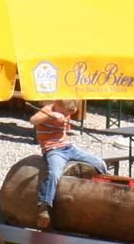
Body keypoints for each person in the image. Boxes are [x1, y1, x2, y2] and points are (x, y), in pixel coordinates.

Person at [30, 98, 107, 229]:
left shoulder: (66, 110)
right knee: (54, 173)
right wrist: (53, 115)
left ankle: (103, 190)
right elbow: (33, 120)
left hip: (68, 147)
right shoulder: (48, 110)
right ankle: (44, 205)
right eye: (65, 112)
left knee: (100, 163)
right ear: (58, 105)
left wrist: (64, 115)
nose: (67, 116)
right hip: (53, 149)